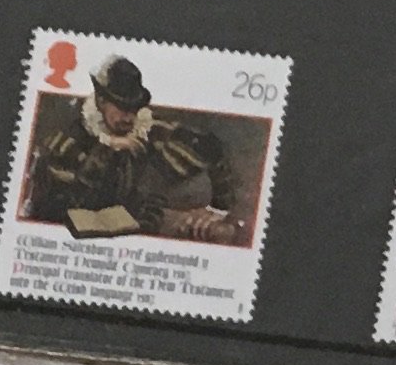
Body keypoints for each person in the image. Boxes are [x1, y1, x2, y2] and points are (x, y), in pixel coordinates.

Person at [21, 57, 245, 243]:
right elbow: (61, 206)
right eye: (121, 108)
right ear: (101, 102)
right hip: (74, 236)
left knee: (218, 233)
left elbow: (210, 147)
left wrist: (218, 209)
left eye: (134, 109)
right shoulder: (66, 142)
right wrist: (106, 149)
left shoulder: (145, 131)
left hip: (137, 228)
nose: (129, 118)